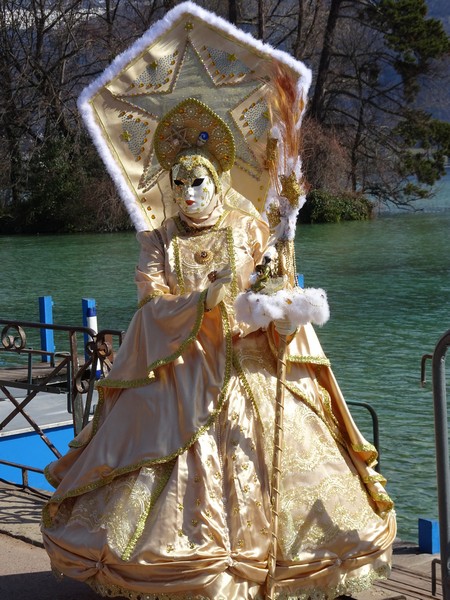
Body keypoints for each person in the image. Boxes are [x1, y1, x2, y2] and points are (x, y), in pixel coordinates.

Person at [41, 137, 396, 599]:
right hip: (179, 368)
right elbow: (149, 306)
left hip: (249, 364)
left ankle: (281, 569)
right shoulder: (157, 239)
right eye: (179, 184)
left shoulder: (249, 229)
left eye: (198, 182)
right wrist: (202, 301)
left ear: (219, 180)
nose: (188, 193)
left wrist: (283, 316)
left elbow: (271, 294)